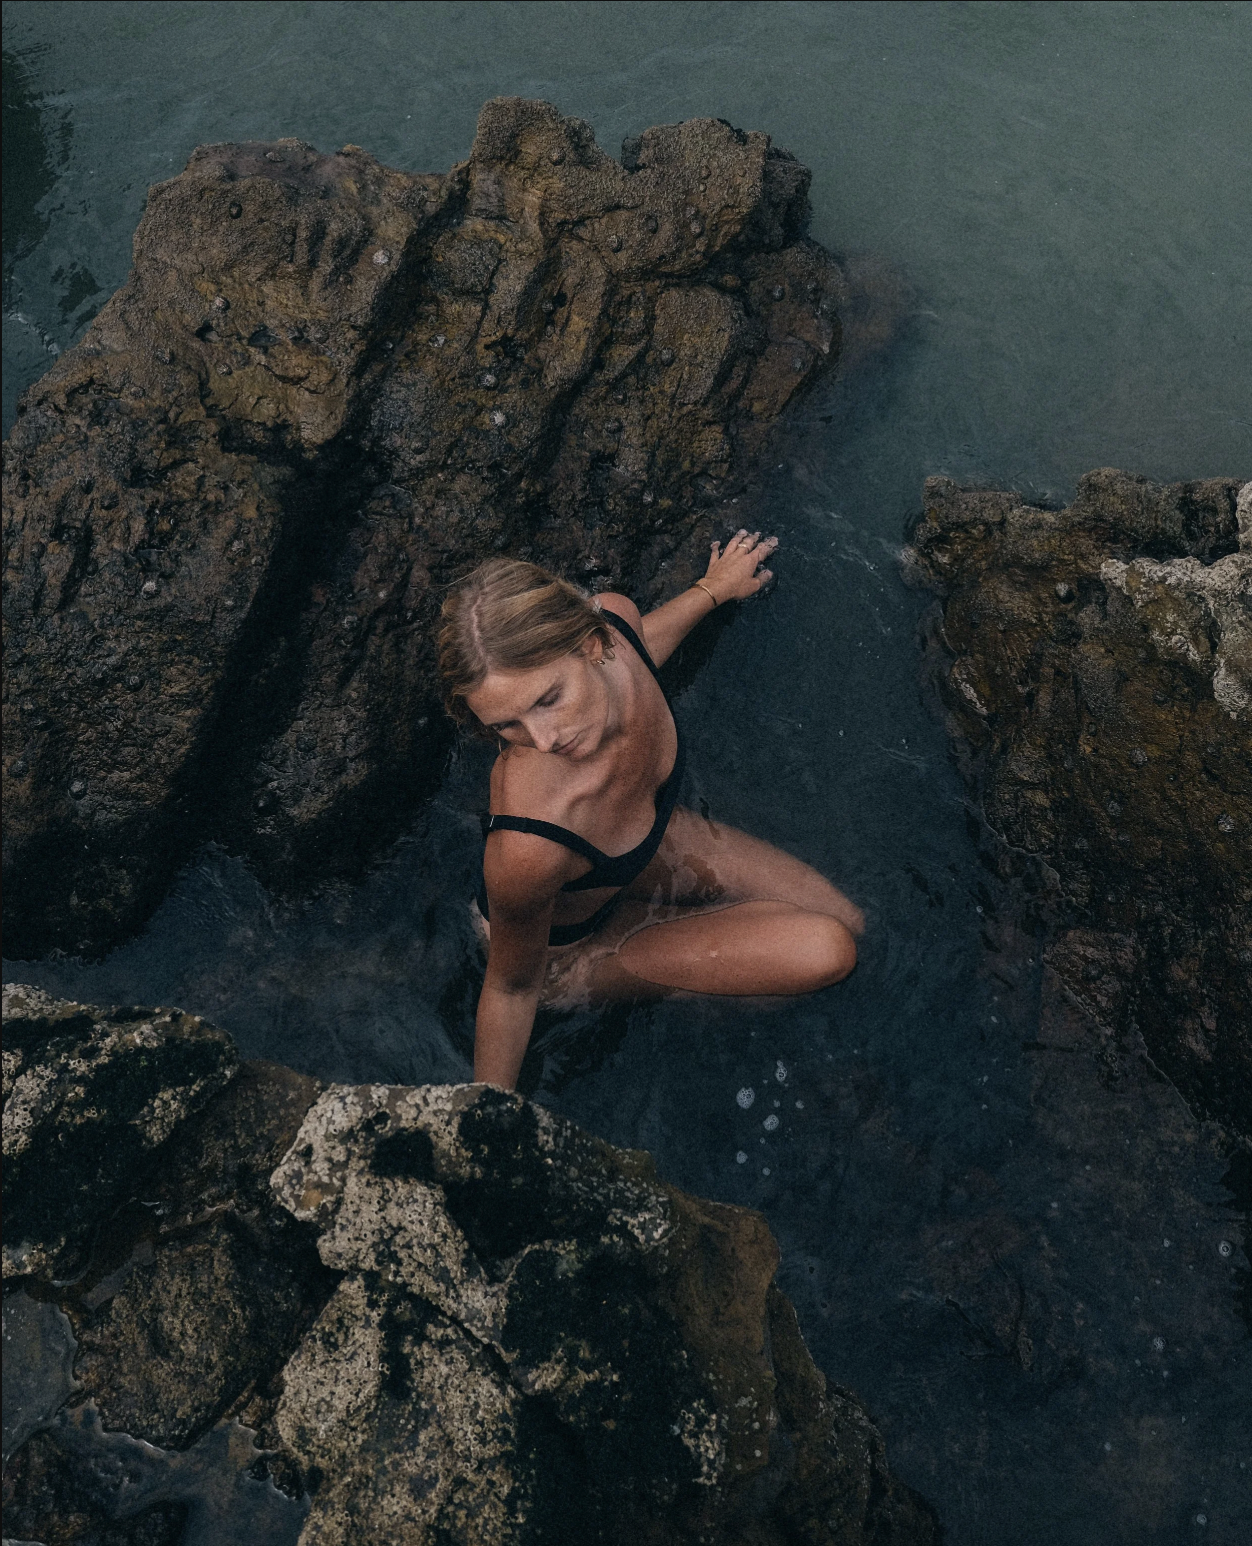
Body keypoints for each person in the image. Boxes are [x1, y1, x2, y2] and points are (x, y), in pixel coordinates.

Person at [438, 530, 865, 1089]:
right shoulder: (530, 846)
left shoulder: (615, 622)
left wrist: (713, 589)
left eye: (548, 699)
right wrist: (486, 1113)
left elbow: (641, 644)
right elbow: (511, 987)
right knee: (827, 949)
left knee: (852, 920)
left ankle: (682, 942)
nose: (541, 739)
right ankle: (631, 967)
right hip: (562, 954)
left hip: (638, 849)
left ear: (592, 645)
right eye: (506, 725)